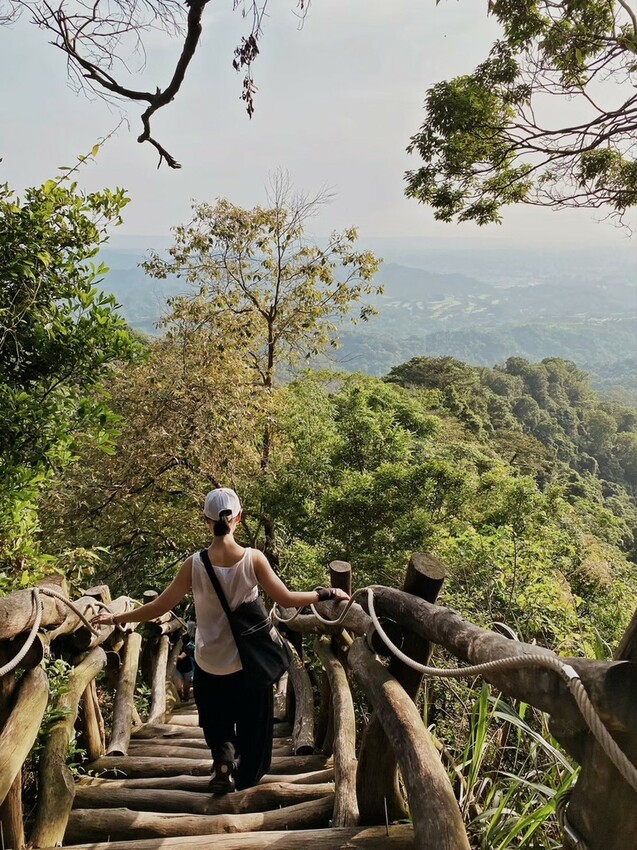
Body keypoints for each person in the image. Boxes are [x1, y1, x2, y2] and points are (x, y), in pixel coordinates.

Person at [91, 487, 349, 795]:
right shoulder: (253, 559)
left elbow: (160, 607)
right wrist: (326, 593)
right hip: (249, 664)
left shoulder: (194, 564)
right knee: (255, 727)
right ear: (238, 518)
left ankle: (224, 760)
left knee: (217, 724)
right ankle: (245, 784)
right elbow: (286, 598)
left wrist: (117, 618)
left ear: (206, 521)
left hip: (210, 663)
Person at [174, 635, 195, 701]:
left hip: (187, 669)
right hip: (178, 668)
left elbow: (181, 657)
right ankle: (180, 698)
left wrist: (173, 655)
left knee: (186, 686)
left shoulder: (189, 646)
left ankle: (186, 698)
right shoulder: (177, 644)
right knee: (178, 685)